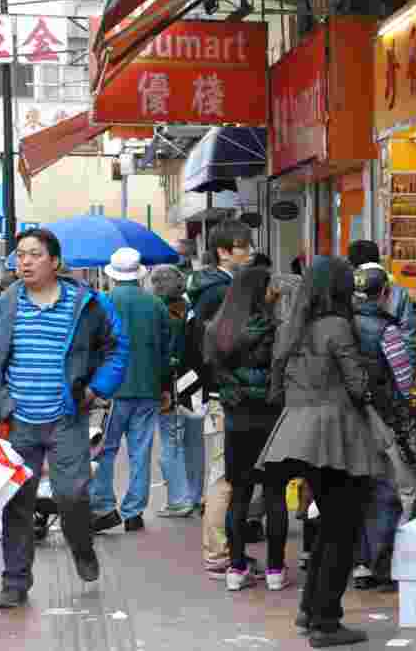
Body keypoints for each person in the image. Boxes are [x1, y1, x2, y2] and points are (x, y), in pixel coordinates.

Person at [0, 228, 129, 609]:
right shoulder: (4, 306)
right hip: (18, 421)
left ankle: (81, 545)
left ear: (55, 262)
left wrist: (95, 390)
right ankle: (15, 582)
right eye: (20, 255)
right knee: (17, 503)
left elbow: (116, 349)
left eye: (34, 254)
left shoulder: (88, 303)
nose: (24, 261)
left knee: (72, 494)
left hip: (67, 417)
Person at [257, 256, 383, 648]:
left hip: (296, 430)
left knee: (329, 526)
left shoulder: (292, 326)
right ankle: (325, 620)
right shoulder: (337, 325)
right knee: (342, 528)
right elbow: (359, 386)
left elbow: (276, 387)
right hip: (335, 433)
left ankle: (311, 611)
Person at [203, 265, 287, 593]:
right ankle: (276, 570)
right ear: (259, 291)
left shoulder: (217, 330)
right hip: (271, 419)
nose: (273, 292)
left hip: (237, 420)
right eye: (269, 287)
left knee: (239, 495)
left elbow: (214, 375)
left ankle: (236, 568)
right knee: (274, 494)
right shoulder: (275, 328)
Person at [185, 220, 253, 579]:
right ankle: (217, 553)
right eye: (243, 247)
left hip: (218, 393)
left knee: (227, 472)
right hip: (221, 396)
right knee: (223, 474)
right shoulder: (220, 294)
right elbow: (215, 350)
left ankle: (227, 547)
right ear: (224, 252)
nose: (250, 252)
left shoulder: (208, 290)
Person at [91, 248, 173, 534]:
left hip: (110, 391)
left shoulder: (102, 303)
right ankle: (134, 512)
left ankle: (103, 507)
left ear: (112, 276)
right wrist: (165, 387)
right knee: (141, 450)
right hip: (149, 388)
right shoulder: (156, 305)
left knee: (104, 450)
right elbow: (166, 351)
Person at [351, 263, 415, 592]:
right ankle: (382, 561)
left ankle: (359, 561)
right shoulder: (386, 329)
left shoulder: (342, 324)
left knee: (358, 487)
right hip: (380, 417)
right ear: (385, 294)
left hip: (349, 418)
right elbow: (403, 378)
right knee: (393, 487)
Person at [148, 264, 204, 517]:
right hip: (195, 382)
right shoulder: (191, 308)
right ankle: (196, 494)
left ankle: (178, 499)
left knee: (170, 442)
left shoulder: (160, 313)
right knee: (194, 441)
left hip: (171, 384)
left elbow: (164, 353)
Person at [347, 240, 416, 372]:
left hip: (355, 372)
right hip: (391, 371)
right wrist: (408, 374)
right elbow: (409, 338)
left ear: (352, 265)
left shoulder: (345, 291)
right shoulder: (398, 293)